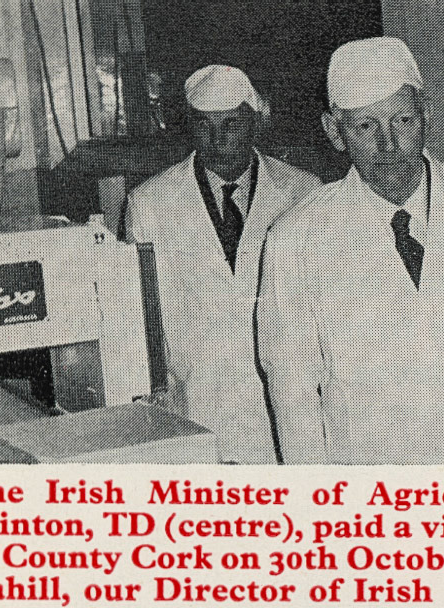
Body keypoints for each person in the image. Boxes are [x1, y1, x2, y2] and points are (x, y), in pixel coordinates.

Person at [257, 37, 444, 465]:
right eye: (366, 127)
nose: (388, 145)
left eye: (402, 121)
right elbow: (293, 394)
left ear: (427, 115)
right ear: (334, 131)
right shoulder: (296, 239)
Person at [125, 65, 322, 463]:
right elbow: (140, 320)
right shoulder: (150, 204)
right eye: (204, 125)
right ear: (189, 126)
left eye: (231, 124)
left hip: (288, 408)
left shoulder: (303, 192)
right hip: (198, 403)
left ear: (255, 122)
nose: (217, 139)